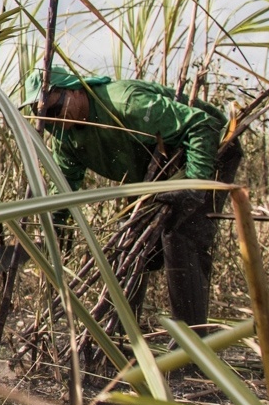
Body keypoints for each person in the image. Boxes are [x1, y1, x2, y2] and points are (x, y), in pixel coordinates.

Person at [23, 66, 237, 326]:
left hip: (208, 150)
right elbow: (65, 187)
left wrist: (194, 185)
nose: (53, 121)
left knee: (181, 237)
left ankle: (191, 344)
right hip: (157, 175)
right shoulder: (66, 136)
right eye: (43, 117)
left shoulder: (125, 103)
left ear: (76, 90)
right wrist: (51, 231)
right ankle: (124, 332)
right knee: (131, 242)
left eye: (54, 111)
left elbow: (202, 125)